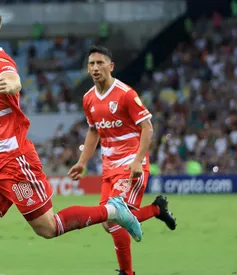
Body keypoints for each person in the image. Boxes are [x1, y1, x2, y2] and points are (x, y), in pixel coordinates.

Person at [0, 6, 142, 275]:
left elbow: (13, 77)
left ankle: (112, 210)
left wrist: (13, 85)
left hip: (14, 162)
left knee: (48, 227)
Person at [68, 45, 177, 275]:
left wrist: (138, 160)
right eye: (91, 64)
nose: (95, 67)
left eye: (100, 63)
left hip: (130, 165)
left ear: (111, 66)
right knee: (109, 223)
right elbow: (93, 131)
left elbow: (147, 127)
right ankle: (157, 209)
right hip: (108, 167)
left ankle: (127, 272)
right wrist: (82, 162)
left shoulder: (125, 93)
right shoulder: (88, 98)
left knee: (112, 220)